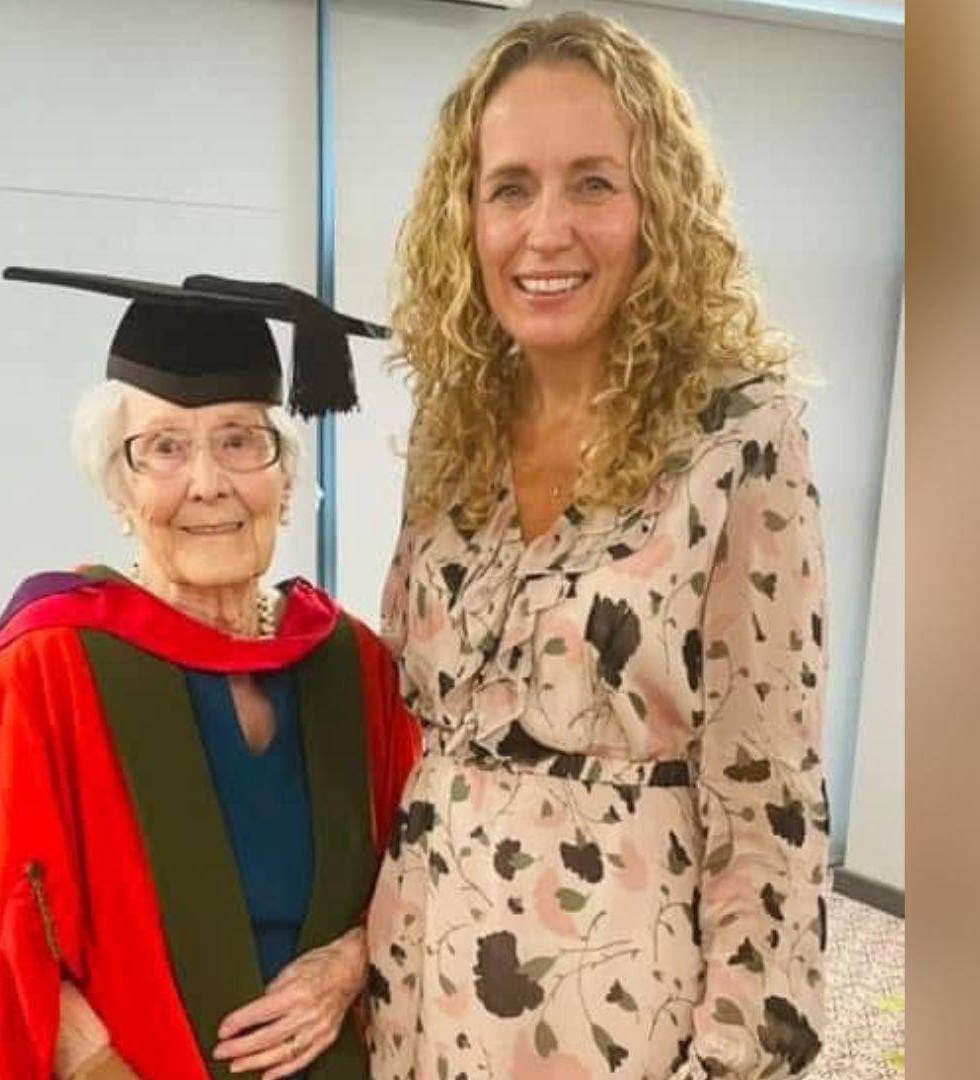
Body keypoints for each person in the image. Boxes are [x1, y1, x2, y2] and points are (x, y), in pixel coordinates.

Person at [366, 13, 830, 1079]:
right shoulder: (454, 422)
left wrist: (734, 1058)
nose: (546, 231)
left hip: (615, 1013)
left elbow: (771, 797)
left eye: (593, 184)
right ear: (465, 213)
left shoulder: (736, 436)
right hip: (422, 985)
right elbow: (424, 730)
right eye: (511, 187)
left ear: (658, 208)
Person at [0, 269, 420, 1080]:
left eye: (240, 441)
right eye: (165, 449)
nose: (208, 482)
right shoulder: (49, 670)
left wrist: (354, 959)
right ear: (121, 487)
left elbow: (427, 862)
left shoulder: (352, 664)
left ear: (285, 483)